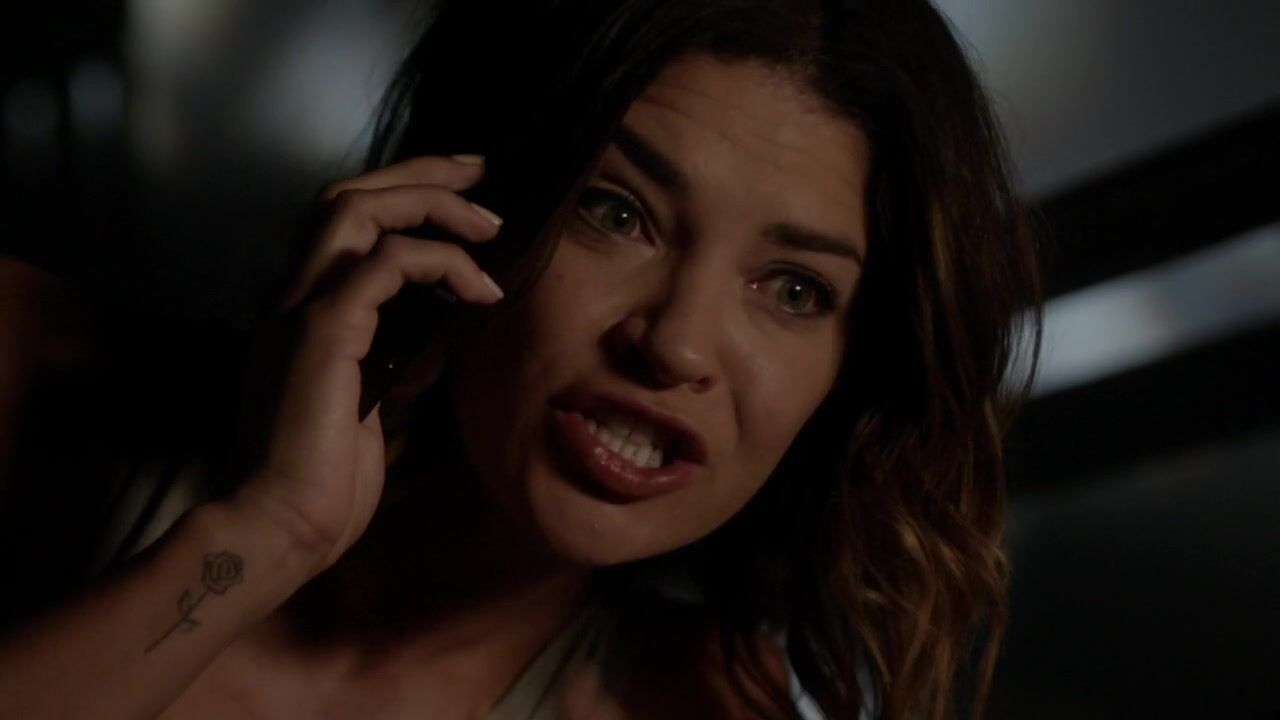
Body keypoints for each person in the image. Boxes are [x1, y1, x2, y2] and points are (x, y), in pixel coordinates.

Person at [0, 0, 1041, 718]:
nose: (675, 342)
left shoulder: (698, 707)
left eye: (794, 290)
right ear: (465, 201)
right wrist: (269, 535)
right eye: (616, 212)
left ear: (848, 380)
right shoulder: (36, 363)